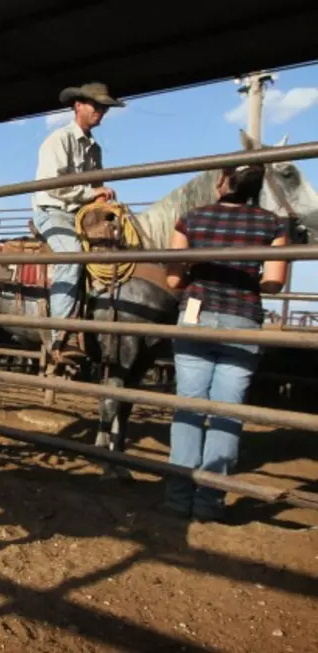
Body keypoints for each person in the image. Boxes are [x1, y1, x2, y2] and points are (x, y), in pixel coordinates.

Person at [162, 163, 288, 522]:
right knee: (227, 412)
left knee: (189, 406)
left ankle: (177, 498)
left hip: (195, 317)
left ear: (221, 181)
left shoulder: (191, 218)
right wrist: (246, 278)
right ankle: (209, 503)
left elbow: (173, 280)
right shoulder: (272, 224)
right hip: (242, 321)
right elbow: (274, 282)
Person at [32, 82, 124, 364]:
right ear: (78, 106)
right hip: (53, 210)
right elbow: (54, 186)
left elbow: (95, 188)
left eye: (104, 107)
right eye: (97, 106)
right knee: (72, 258)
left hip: (80, 214)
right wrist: (92, 192)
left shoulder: (94, 149)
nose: (101, 112)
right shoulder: (59, 140)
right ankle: (62, 336)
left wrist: (104, 203)